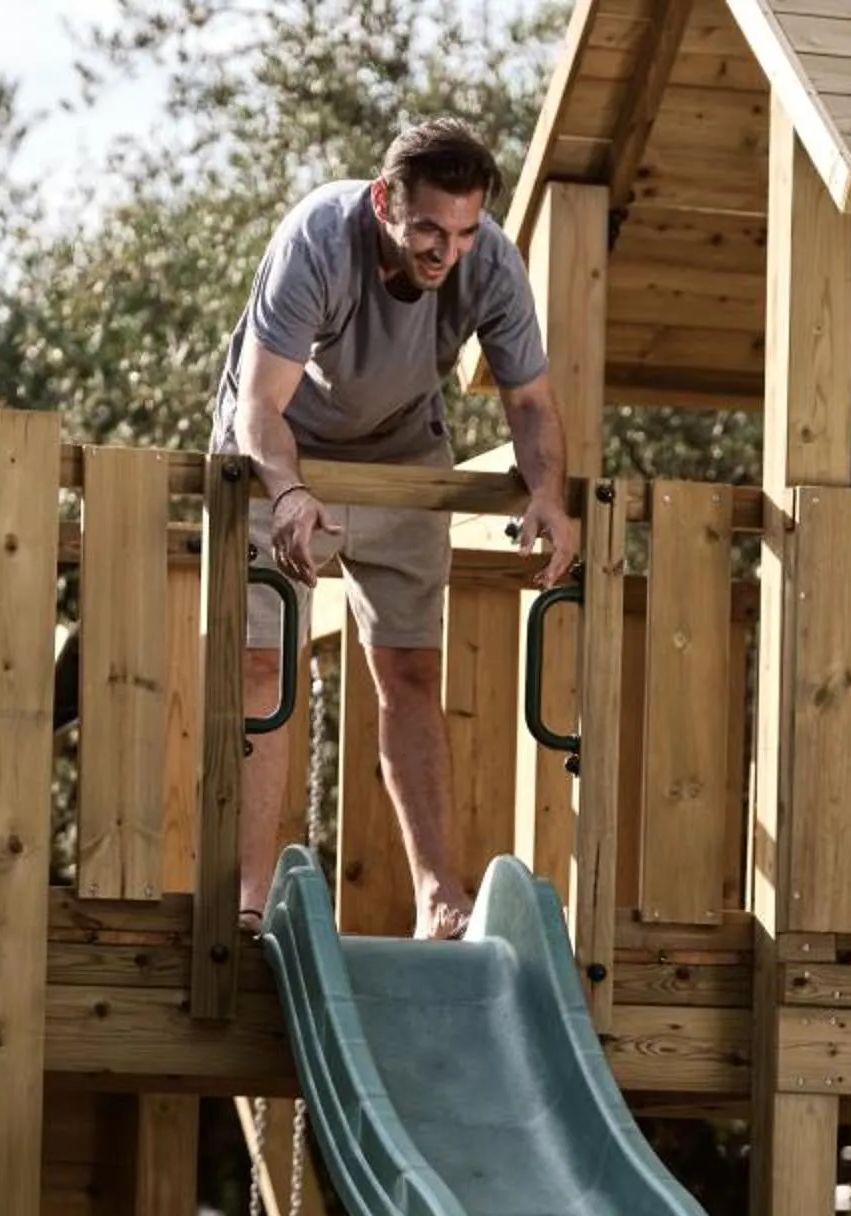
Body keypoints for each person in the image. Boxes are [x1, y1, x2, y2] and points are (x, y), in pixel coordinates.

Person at [211, 116, 580, 938]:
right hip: (282, 449)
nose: (444, 250)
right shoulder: (318, 238)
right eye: (427, 229)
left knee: (411, 671)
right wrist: (295, 492)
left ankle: (439, 895)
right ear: (385, 200)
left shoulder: (487, 259)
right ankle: (248, 893)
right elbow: (259, 407)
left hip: (403, 451)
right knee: (264, 667)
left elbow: (529, 402)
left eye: (462, 231)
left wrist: (548, 496)